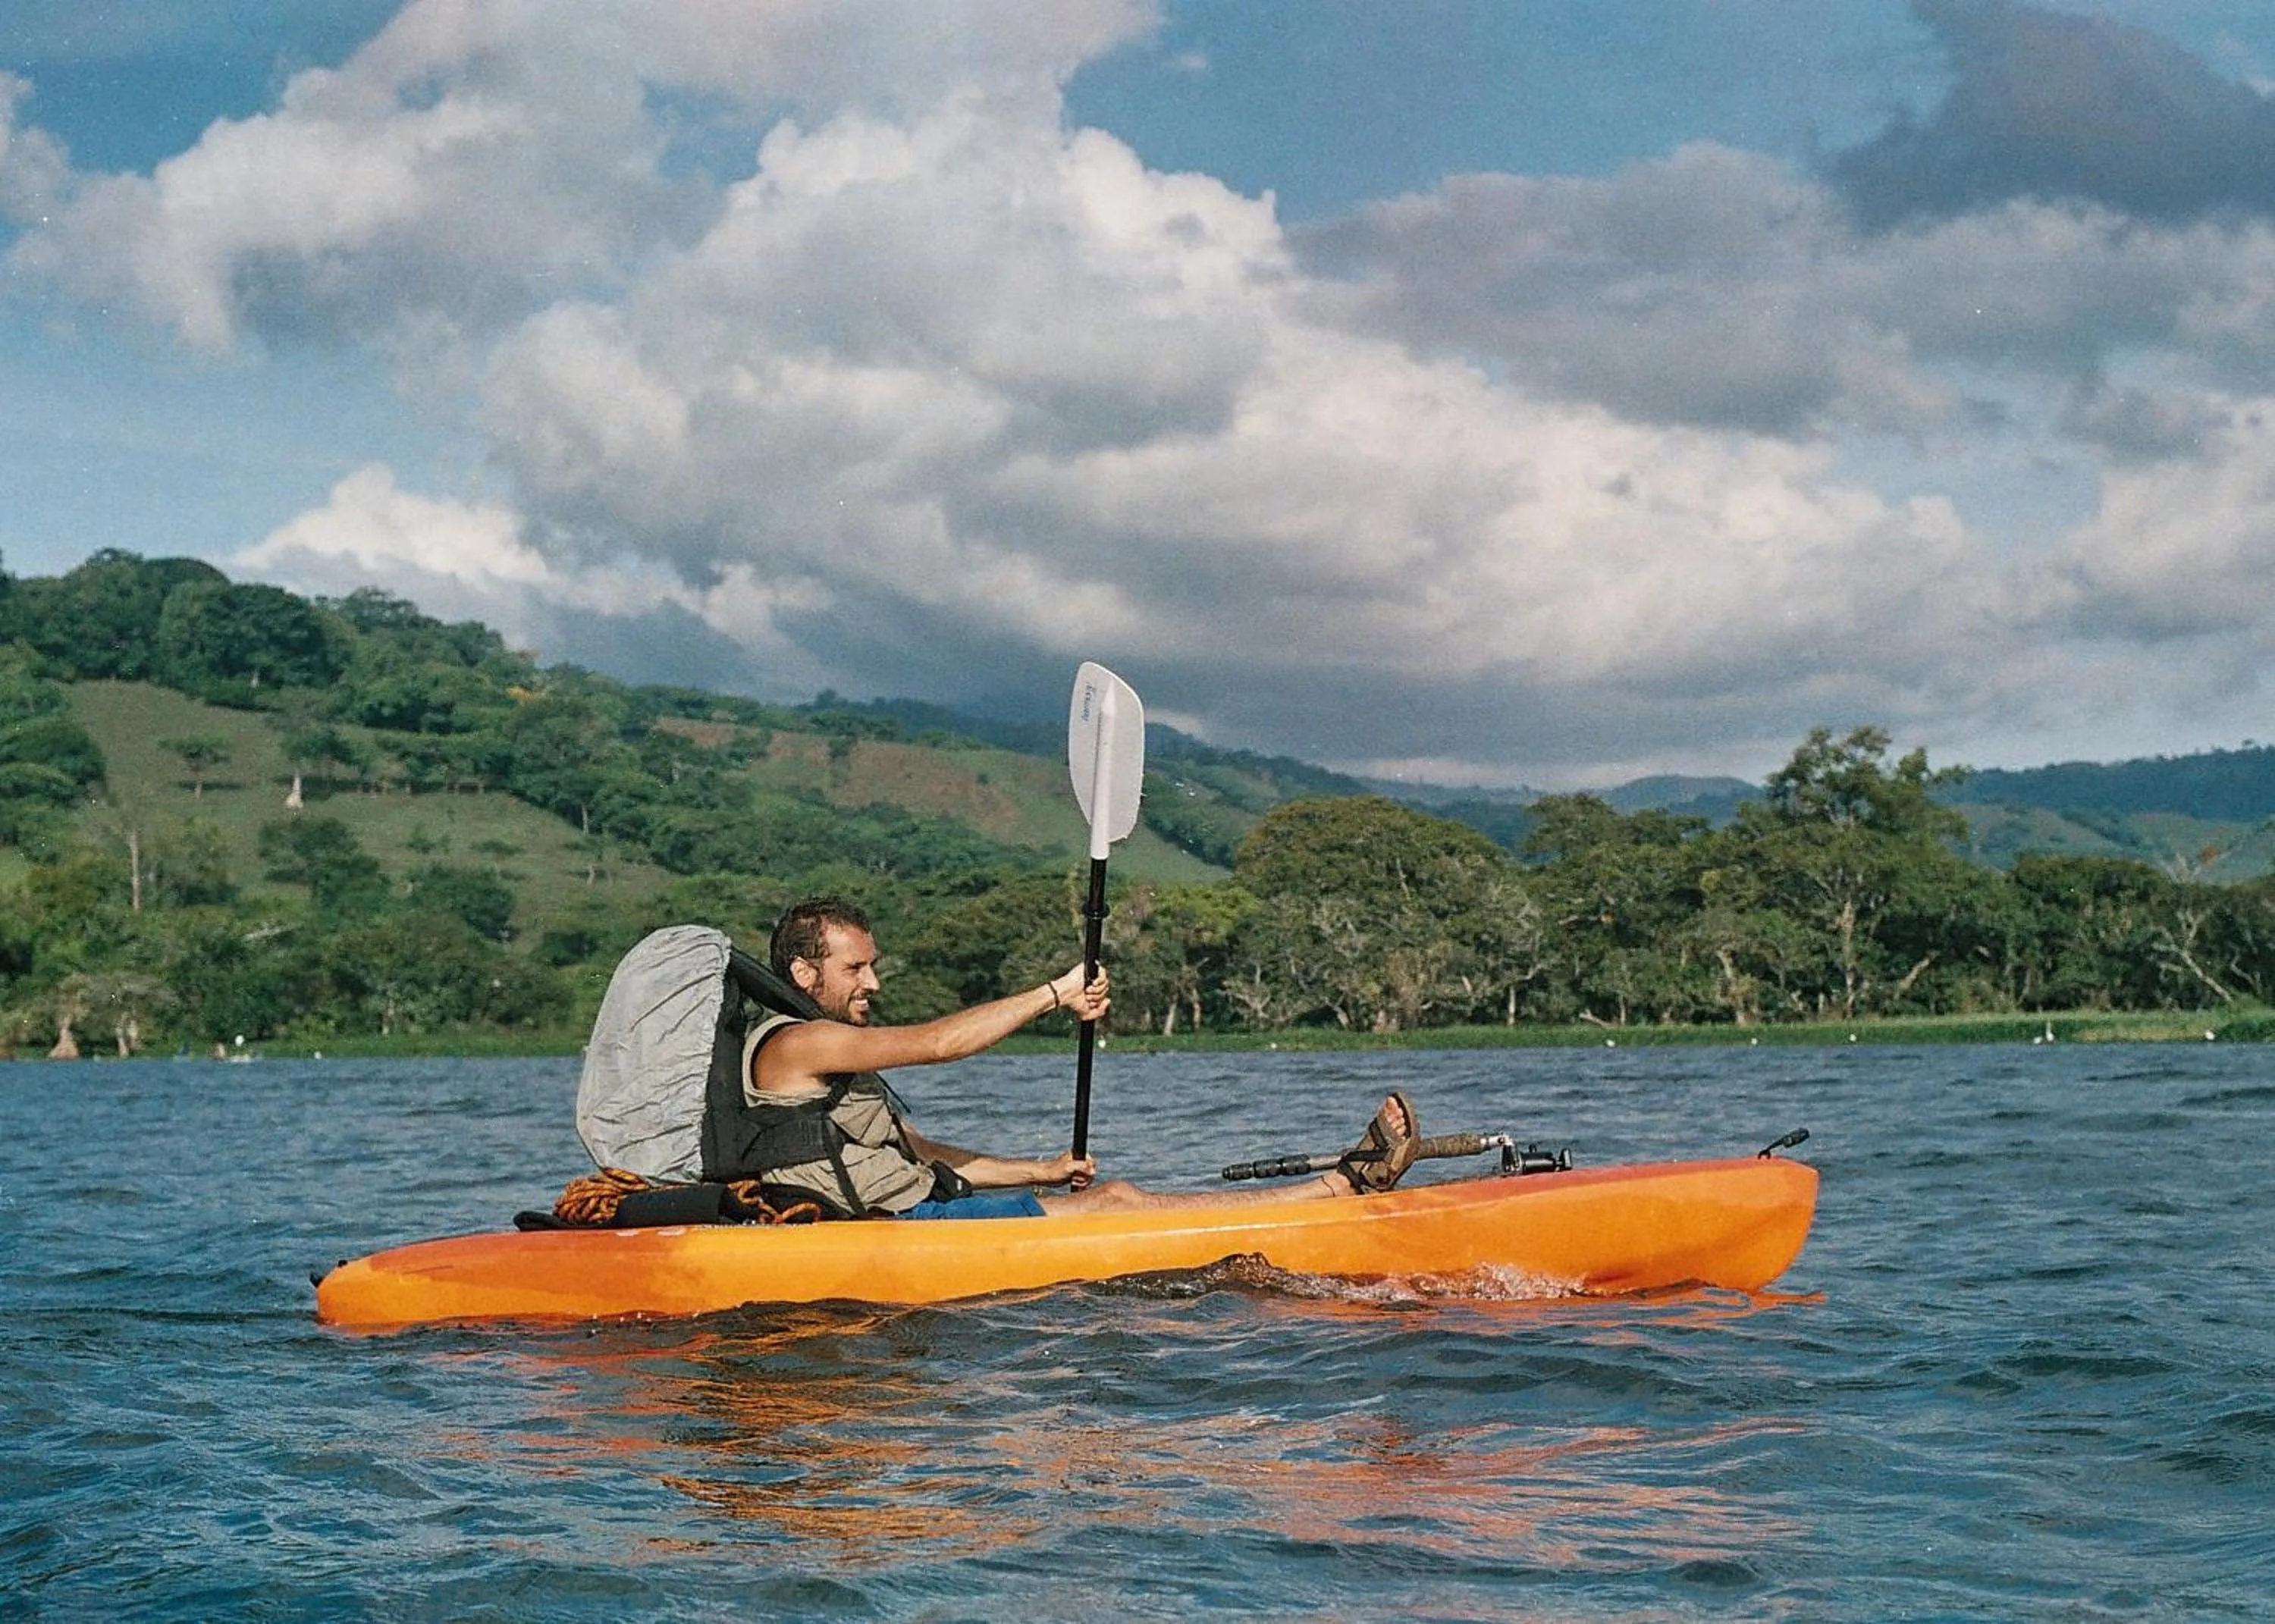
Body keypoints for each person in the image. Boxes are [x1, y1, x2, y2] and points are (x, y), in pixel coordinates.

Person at [740, 895, 1420, 1219]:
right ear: (804, 974)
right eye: (856, 968)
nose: (874, 983)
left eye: (874, 966)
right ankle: (1339, 1193)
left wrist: (1042, 1169)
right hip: (890, 1232)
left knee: (1110, 1194)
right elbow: (942, 1044)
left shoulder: (833, 1055)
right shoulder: (800, 1042)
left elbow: (921, 1155)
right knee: (1116, 1204)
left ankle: (1338, 1189)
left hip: (918, 1210)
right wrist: (1055, 994)